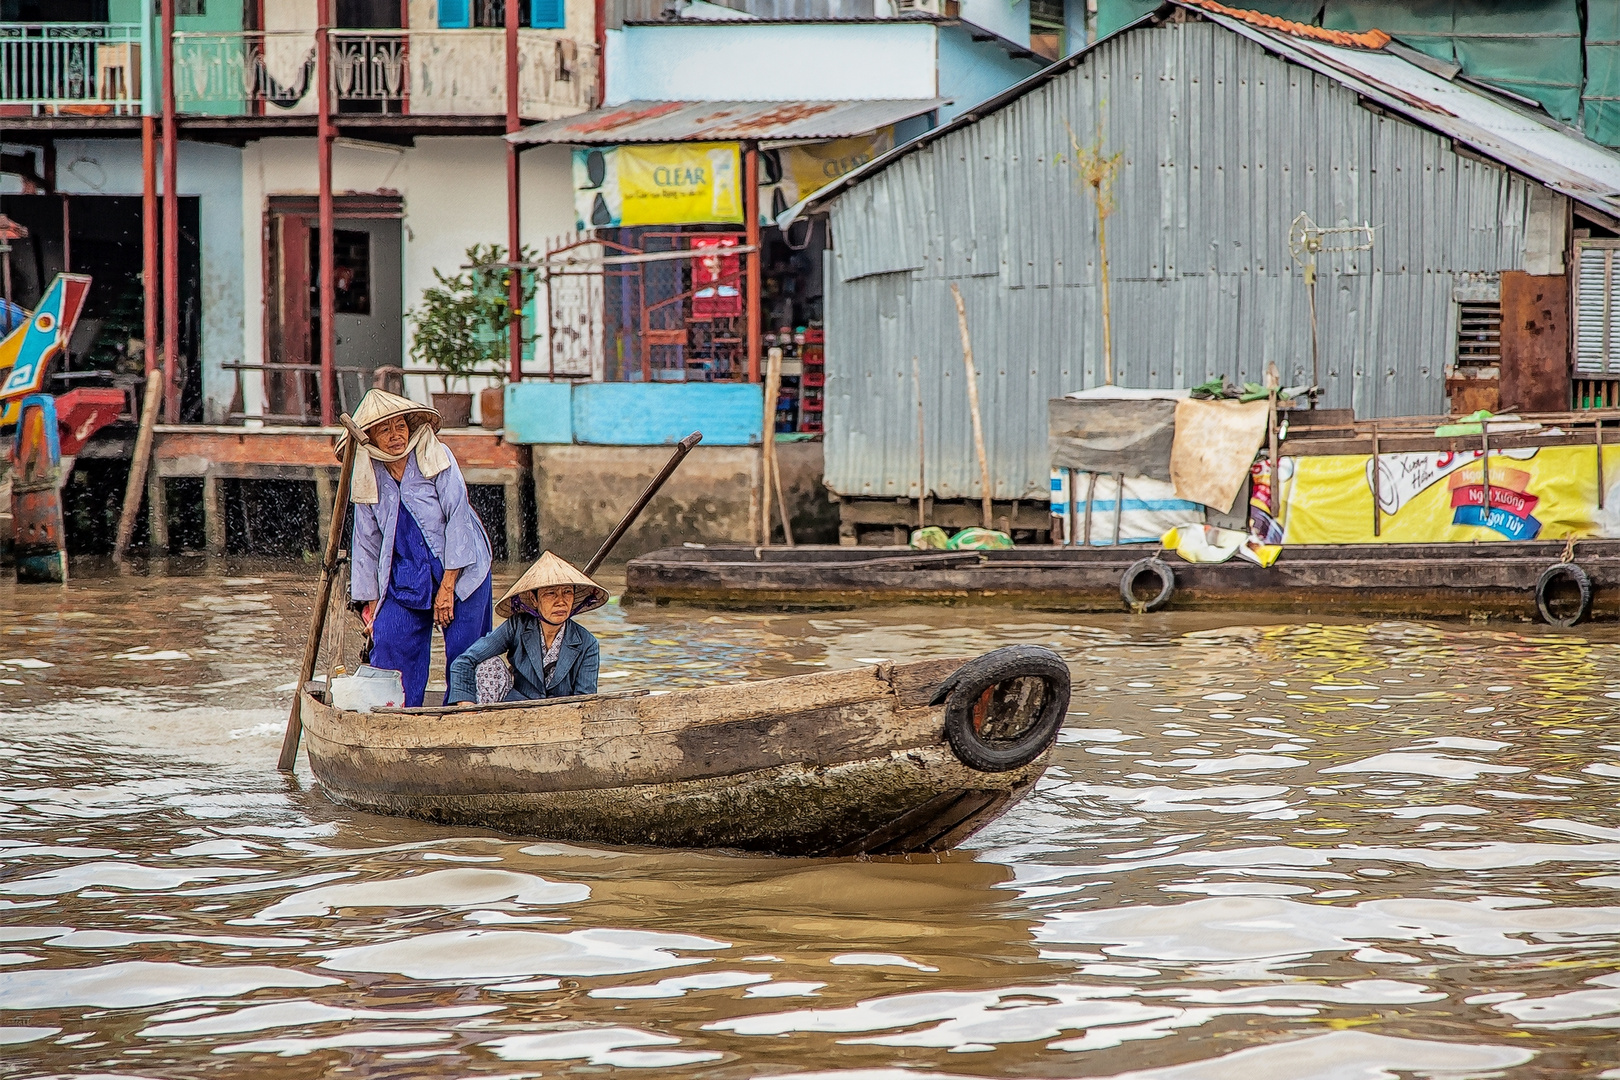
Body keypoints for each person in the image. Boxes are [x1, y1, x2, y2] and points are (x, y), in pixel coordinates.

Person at [343, 389, 493, 708]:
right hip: (406, 575)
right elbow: (366, 543)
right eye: (385, 429)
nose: (396, 435)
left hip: (461, 569)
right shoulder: (369, 472)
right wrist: (371, 607)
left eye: (400, 426)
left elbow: (458, 517)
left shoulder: (433, 456)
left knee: (465, 654)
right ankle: (397, 718)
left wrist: (447, 586)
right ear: (370, 436)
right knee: (389, 640)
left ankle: (465, 717)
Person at [445, 552, 606, 705]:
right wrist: (467, 706)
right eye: (550, 593)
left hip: (562, 717)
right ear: (533, 599)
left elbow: (585, 700)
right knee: (489, 664)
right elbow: (464, 662)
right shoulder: (517, 626)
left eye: (567, 592)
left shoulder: (587, 643)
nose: (561, 601)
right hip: (515, 708)